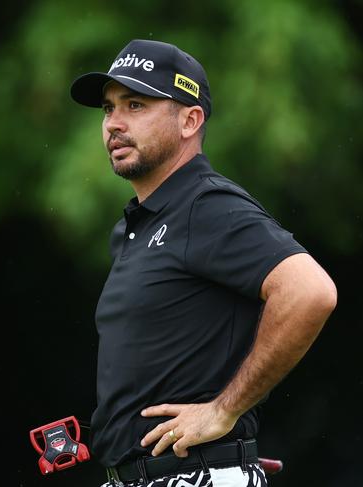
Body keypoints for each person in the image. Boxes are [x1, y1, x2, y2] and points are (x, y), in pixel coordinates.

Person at [69, 39, 337, 487]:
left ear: (190, 120)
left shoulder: (206, 205)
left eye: (135, 104)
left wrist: (224, 408)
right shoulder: (138, 226)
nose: (114, 124)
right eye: (108, 108)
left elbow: (310, 291)